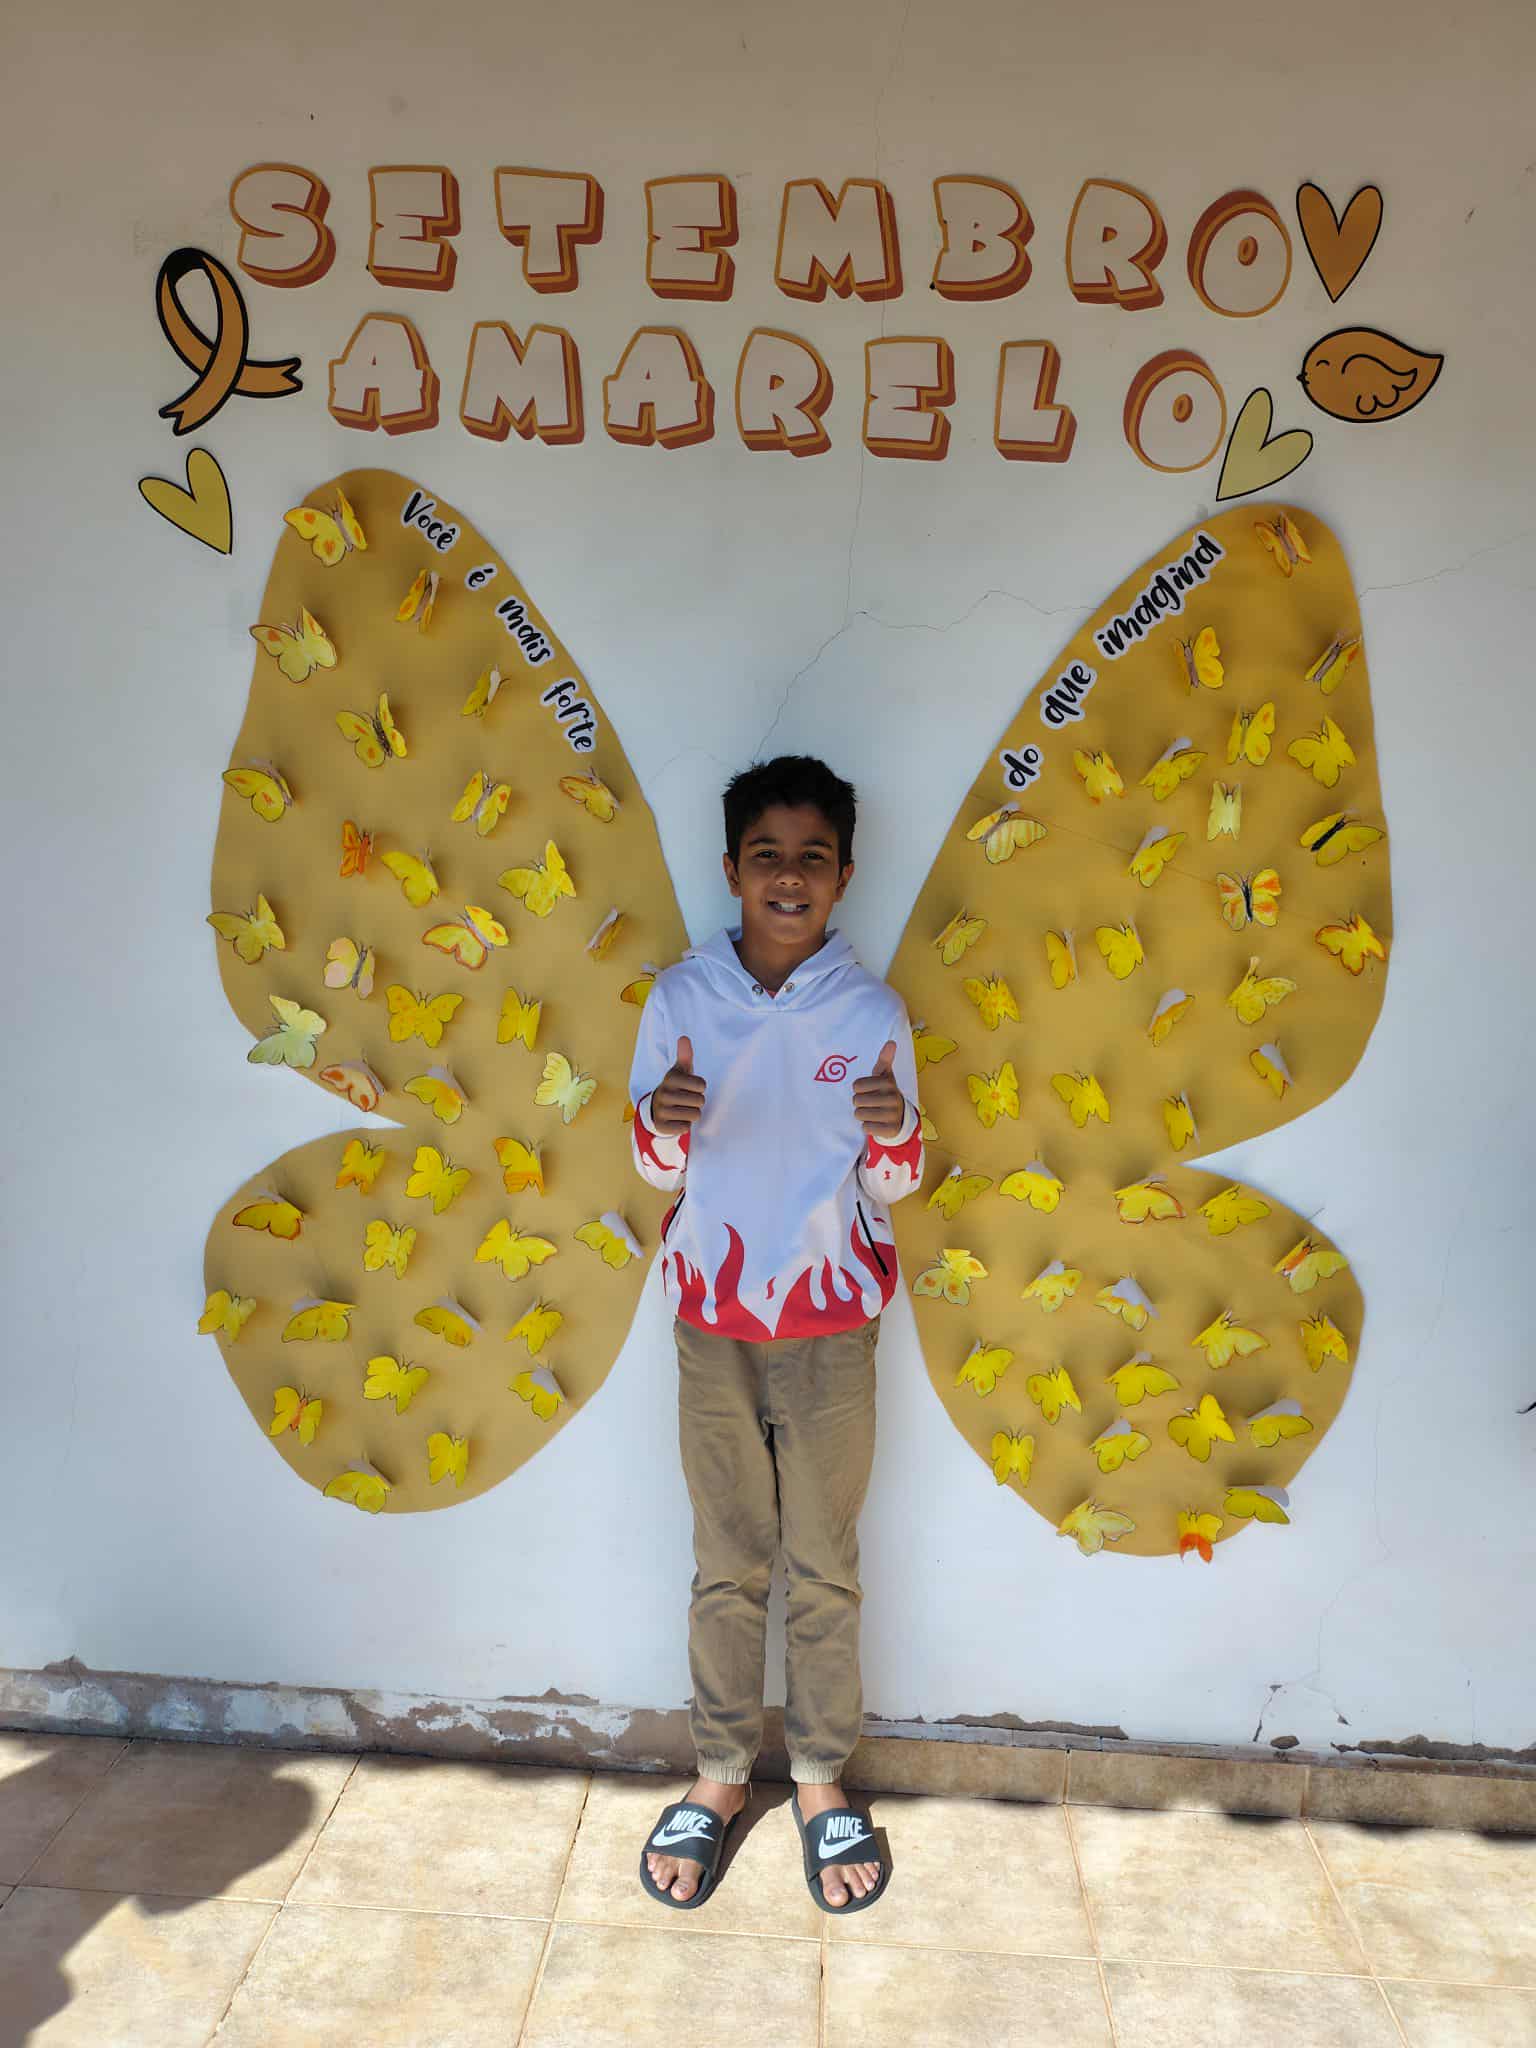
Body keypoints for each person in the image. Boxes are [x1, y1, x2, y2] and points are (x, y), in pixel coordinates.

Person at [627, 754, 923, 1915]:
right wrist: (663, 1121)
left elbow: (892, 1180)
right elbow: (656, 1164)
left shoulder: (872, 1011)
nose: (788, 876)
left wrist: (895, 1131)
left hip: (834, 1322)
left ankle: (817, 1775)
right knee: (727, 1557)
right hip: (711, 1318)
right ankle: (717, 1767)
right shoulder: (680, 999)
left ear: (843, 875)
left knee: (824, 1562)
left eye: (812, 857)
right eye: (767, 855)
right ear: (731, 869)